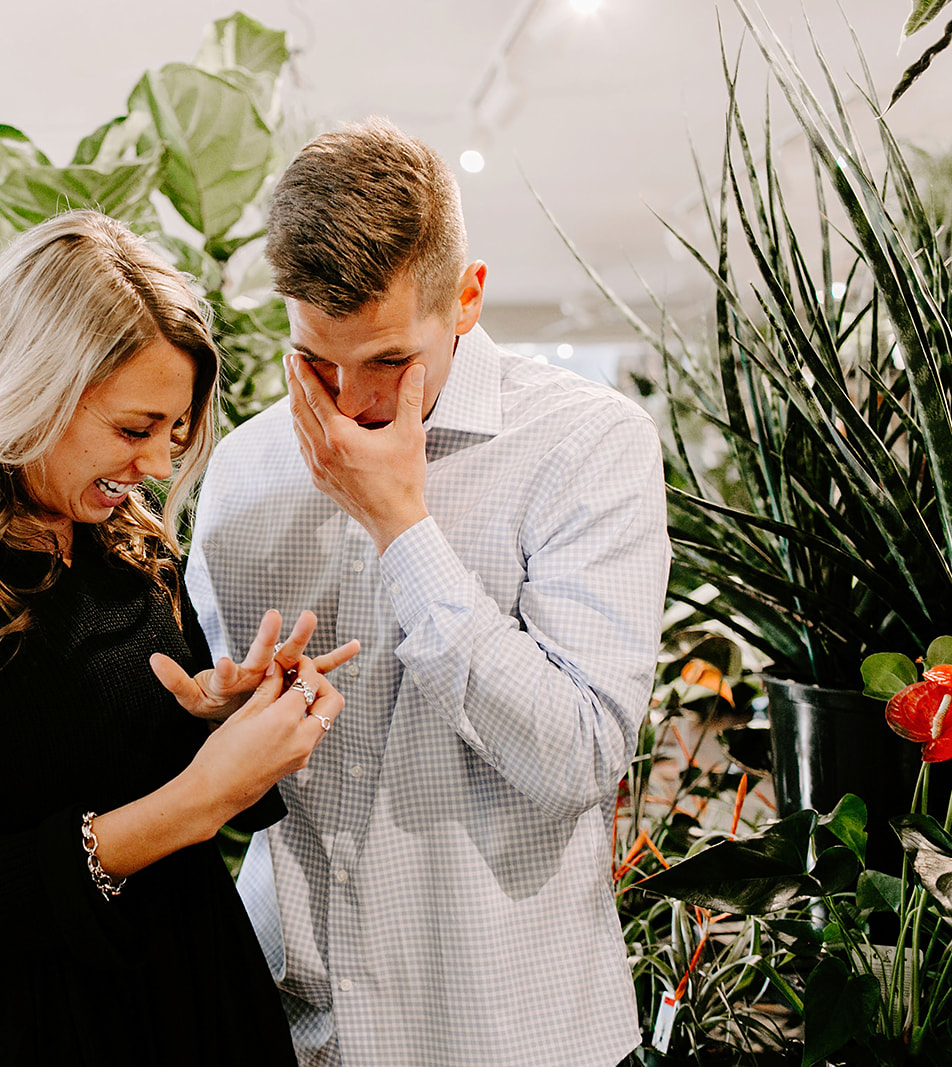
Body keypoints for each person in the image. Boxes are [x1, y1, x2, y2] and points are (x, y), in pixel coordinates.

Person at [0, 210, 354, 1067]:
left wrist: (221, 717)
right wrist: (198, 801)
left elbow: (126, 759)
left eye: (173, 432)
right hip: (31, 1034)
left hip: (200, 1002)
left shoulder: (126, 539)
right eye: (135, 429)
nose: (160, 465)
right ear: (33, 389)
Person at [185, 119, 671, 1066]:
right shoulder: (243, 470)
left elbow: (578, 757)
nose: (347, 400)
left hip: (507, 1031)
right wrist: (219, 718)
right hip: (294, 1025)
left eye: (388, 362)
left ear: (468, 300)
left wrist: (403, 530)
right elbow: (232, 765)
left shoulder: (591, 447)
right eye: (314, 360)